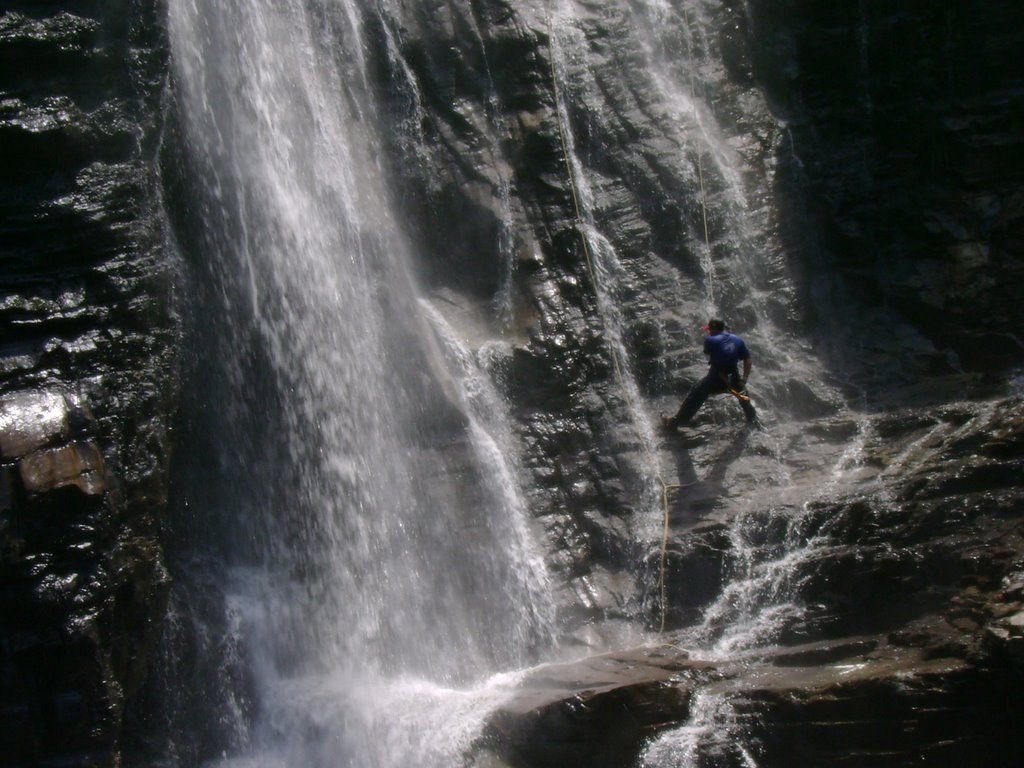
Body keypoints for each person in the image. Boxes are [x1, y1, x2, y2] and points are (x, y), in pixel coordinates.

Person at [662, 318, 758, 431]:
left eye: (710, 330)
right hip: (734, 377)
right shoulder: (737, 339)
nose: (709, 332)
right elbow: (748, 360)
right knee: (744, 398)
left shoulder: (711, 340)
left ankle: (676, 422)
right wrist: (744, 379)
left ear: (714, 329)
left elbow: (709, 354)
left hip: (716, 377)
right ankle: (753, 421)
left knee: (696, 394)